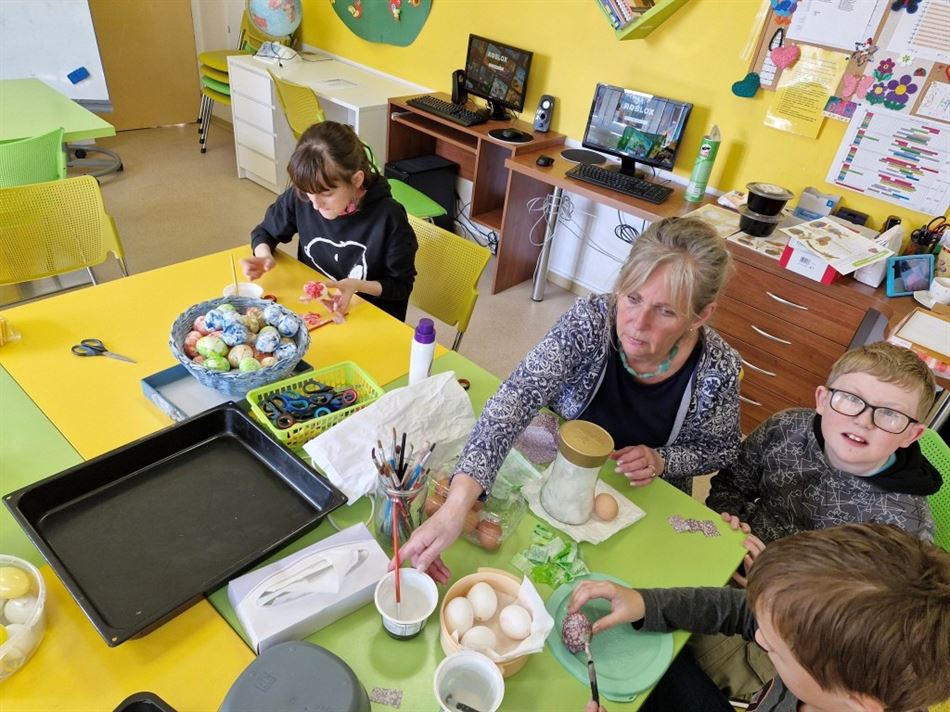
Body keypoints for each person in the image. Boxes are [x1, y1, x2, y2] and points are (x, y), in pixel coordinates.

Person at [400, 217, 742, 582]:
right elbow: (515, 399)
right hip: (553, 472)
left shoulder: (717, 369)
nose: (637, 323)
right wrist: (457, 505)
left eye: (666, 311)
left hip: (640, 496)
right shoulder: (591, 321)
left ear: (699, 316)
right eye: (633, 297)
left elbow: (721, 449)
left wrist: (663, 459)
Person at [693, 341, 941, 701]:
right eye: (851, 399)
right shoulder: (785, 428)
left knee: (684, 660)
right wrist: (730, 519)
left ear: (911, 435)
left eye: (890, 414)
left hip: (793, 625)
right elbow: (731, 483)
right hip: (727, 553)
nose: (863, 420)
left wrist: (778, 585)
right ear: (823, 399)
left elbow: (864, 625)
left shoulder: (904, 526)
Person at [573, 523, 950, 712]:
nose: (759, 637)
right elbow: (743, 613)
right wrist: (646, 603)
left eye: (776, 650)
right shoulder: (830, 675)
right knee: (658, 666)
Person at [242, 121, 417, 320]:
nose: (315, 204)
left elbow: (401, 285)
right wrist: (264, 256)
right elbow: (265, 232)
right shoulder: (304, 195)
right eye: (309, 192)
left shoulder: (389, 217)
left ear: (356, 180)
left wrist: (357, 285)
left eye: (326, 194)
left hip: (370, 318)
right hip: (317, 312)